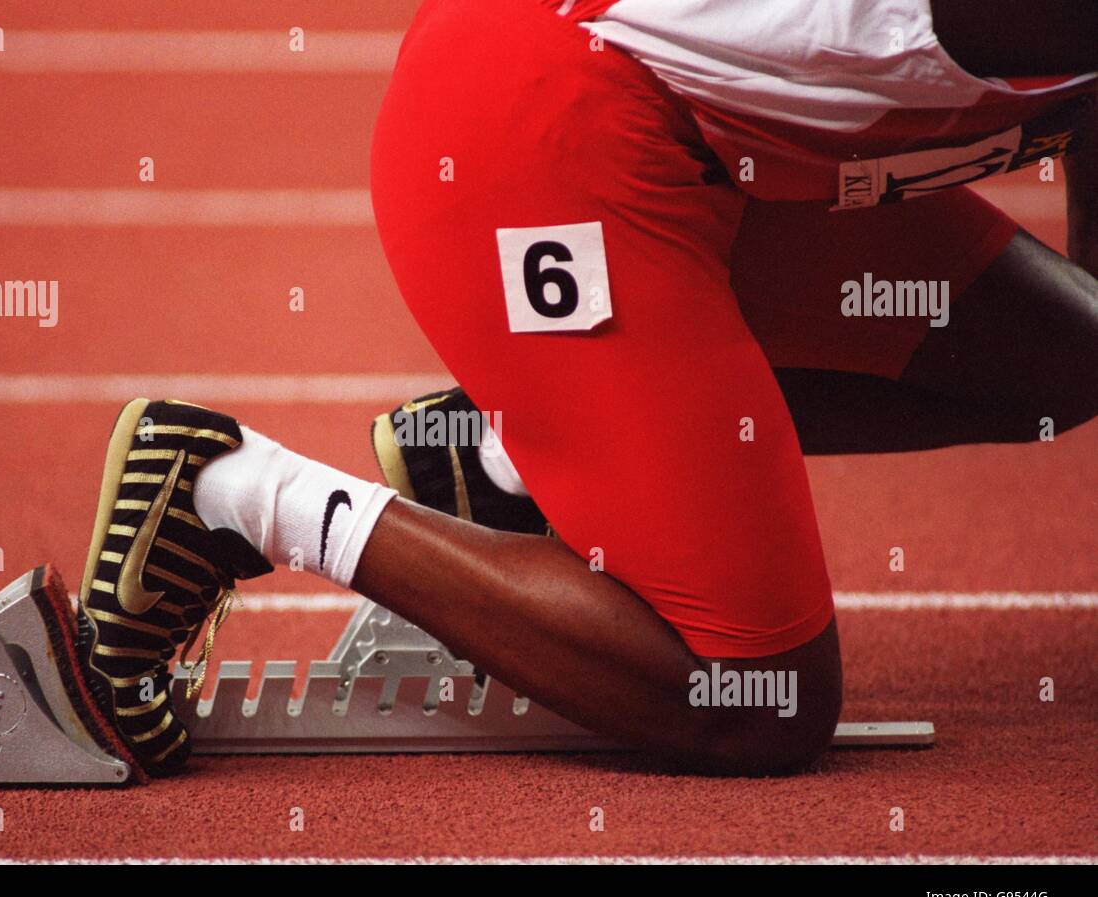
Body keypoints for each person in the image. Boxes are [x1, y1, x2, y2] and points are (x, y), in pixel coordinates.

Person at [53, 0, 1098, 781]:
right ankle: (229, 493)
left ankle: (507, 459)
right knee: (758, 698)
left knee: (1066, 358)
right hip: (537, 123)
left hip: (713, 144)